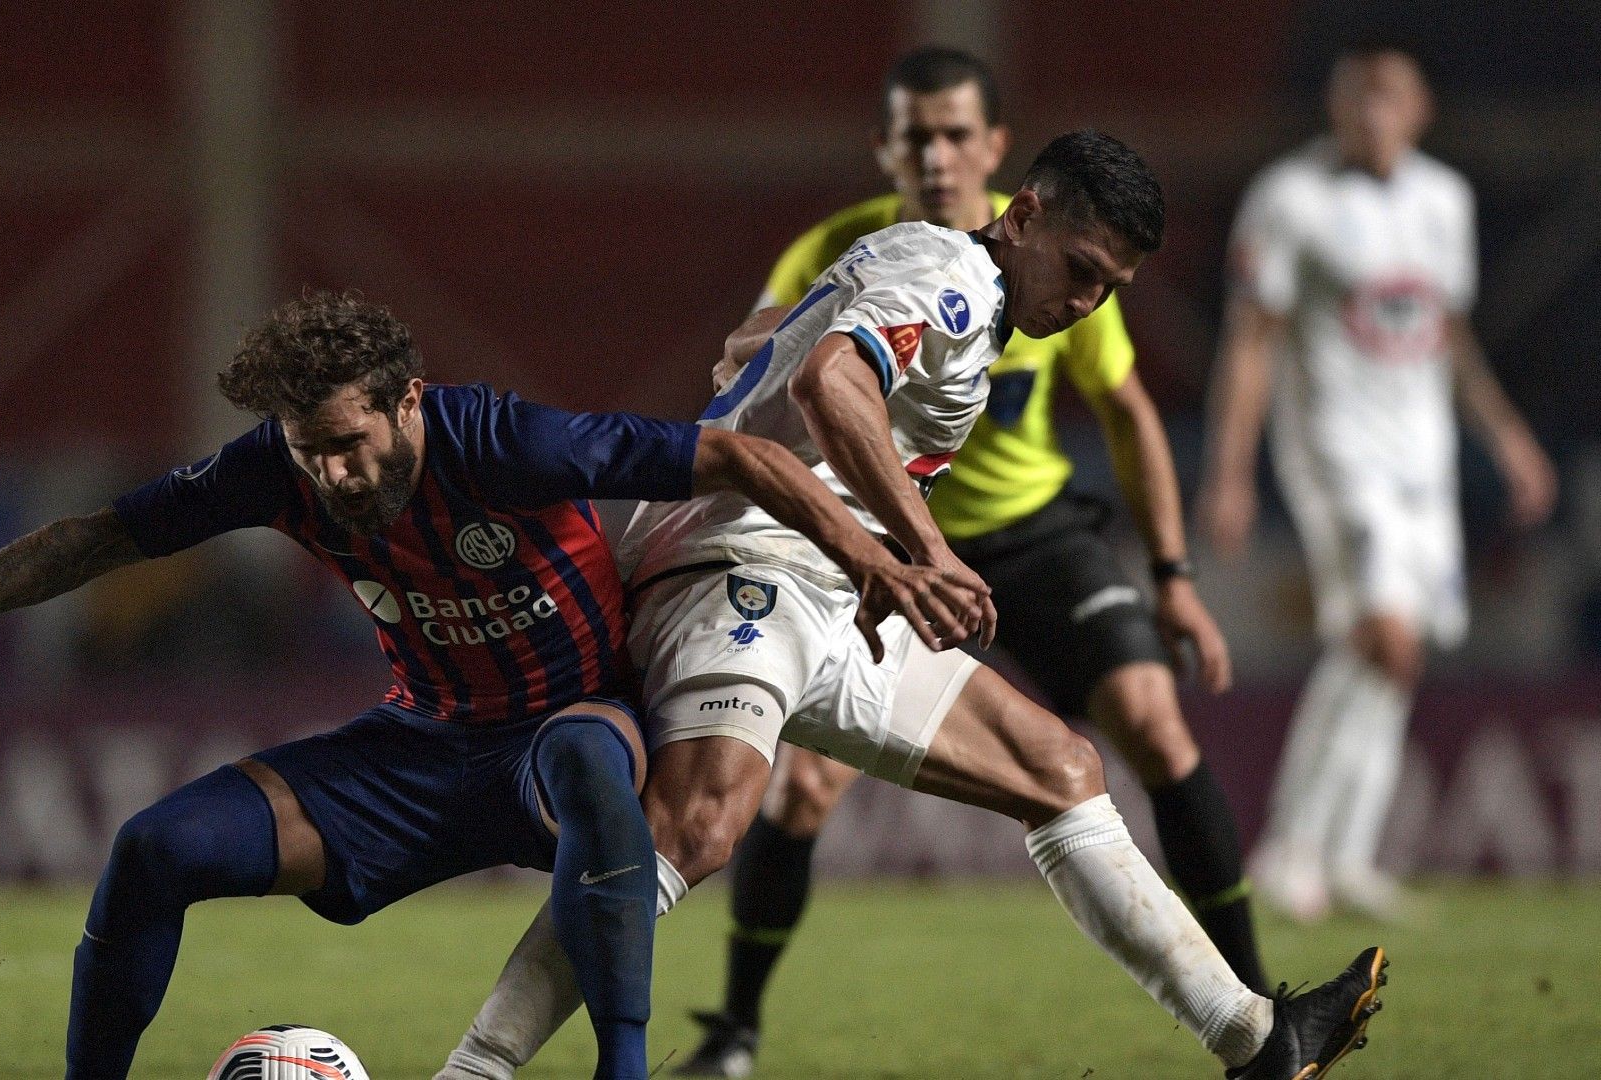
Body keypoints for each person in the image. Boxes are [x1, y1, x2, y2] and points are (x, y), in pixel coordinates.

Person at [0, 290, 978, 1080]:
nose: (335, 473)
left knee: (591, 769)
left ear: (410, 399)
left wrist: (881, 555)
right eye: (311, 450)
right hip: (420, 750)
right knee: (155, 850)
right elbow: (100, 536)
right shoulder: (281, 468)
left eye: (351, 443)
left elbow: (737, 451)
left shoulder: (506, 442)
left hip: (567, 726)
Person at [439, 132, 1386, 1080]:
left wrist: (788, 371)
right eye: (1082, 270)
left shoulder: (944, 281)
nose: (1086, 302)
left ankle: (1256, 1040)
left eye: (1111, 288)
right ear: (1024, 216)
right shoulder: (958, 280)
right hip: (744, 566)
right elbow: (828, 382)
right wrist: (922, 555)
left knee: (1058, 767)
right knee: (694, 828)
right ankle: (475, 1070)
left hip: (822, 585)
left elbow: (771, 346)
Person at [679, 47, 1265, 1076]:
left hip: (1028, 533)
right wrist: (903, 542)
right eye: (917, 134)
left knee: (1150, 725)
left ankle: (1260, 1004)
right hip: (892, 539)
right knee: (798, 791)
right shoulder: (861, 247)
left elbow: (1127, 414)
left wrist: (1171, 573)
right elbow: (769, 358)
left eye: (958, 133)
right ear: (887, 147)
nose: (938, 153)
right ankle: (734, 1031)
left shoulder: (1070, 250)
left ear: (998, 154)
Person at [1200, 45, 1557, 922]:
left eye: (1389, 94)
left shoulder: (1444, 199)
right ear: (1333, 106)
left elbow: (1449, 335)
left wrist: (1507, 436)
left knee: (1397, 654)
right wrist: (1230, 473)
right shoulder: (1291, 198)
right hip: (1334, 451)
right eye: (1355, 95)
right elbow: (1251, 340)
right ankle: (1289, 848)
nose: (1371, 111)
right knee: (1383, 638)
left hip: (1421, 458)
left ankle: (1345, 856)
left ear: (1421, 107)